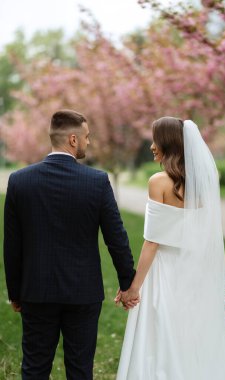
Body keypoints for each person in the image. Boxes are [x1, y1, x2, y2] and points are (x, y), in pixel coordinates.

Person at [3, 109, 137, 380]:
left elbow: (12, 246)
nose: (89, 142)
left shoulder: (19, 181)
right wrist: (127, 284)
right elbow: (116, 239)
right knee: (79, 370)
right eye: (87, 137)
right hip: (83, 293)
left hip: (36, 292)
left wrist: (16, 292)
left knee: (35, 368)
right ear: (73, 140)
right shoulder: (97, 182)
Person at [116, 117, 225, 380]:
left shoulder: (158, 182)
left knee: (164, 337)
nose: (152, 146)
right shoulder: (204, 183)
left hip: (166, 274)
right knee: (199, 335)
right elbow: (213, 239)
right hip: (200, 274)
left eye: (155, 140)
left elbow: (153, 241)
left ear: (167, 142)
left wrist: (134, 288)